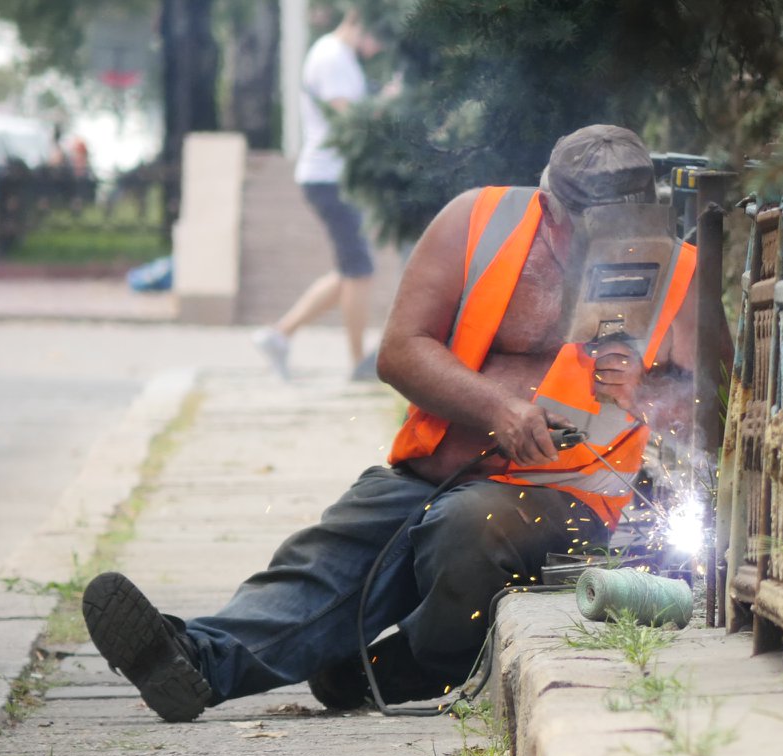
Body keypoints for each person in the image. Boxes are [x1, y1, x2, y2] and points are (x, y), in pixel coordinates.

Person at [84, 125, 699, 722]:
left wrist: (647, 393)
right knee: (333, 554)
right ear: (550, 210)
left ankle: (393, 669)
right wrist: (499, 410)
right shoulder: (475, 223)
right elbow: (400, 351)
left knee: (464, 527)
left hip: (564, 499)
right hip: (428, 476)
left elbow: (710, 408)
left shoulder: (678, 272)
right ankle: (196, 658)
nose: (604, 250)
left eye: (622, 232)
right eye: (589, 235)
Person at [253, 8, 385, 381]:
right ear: (360, 20)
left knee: (350, 271)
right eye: (378, 38)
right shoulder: (332, 58)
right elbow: (350, 119)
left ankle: (279, 336)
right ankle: (359, 364)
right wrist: (387, 107)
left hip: (332, 177)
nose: (378, 49)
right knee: (359, 271)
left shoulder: (340, 56)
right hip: (328, 178)